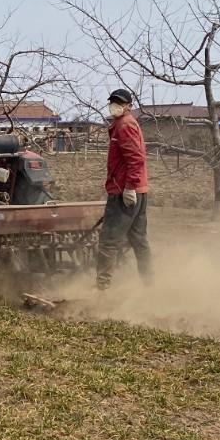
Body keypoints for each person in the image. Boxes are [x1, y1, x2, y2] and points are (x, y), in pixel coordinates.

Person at [96, 88, 152, 289]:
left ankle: (102, 288)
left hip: (124, 191)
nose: (115, 106)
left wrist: (129, 187)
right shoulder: (123, 124)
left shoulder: (125, 125)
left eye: (120, 103)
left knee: (108, 241)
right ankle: (149, 284)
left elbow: (136, 158)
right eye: (112, 102)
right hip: (139, 190)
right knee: (139, 239)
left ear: (129, 106)